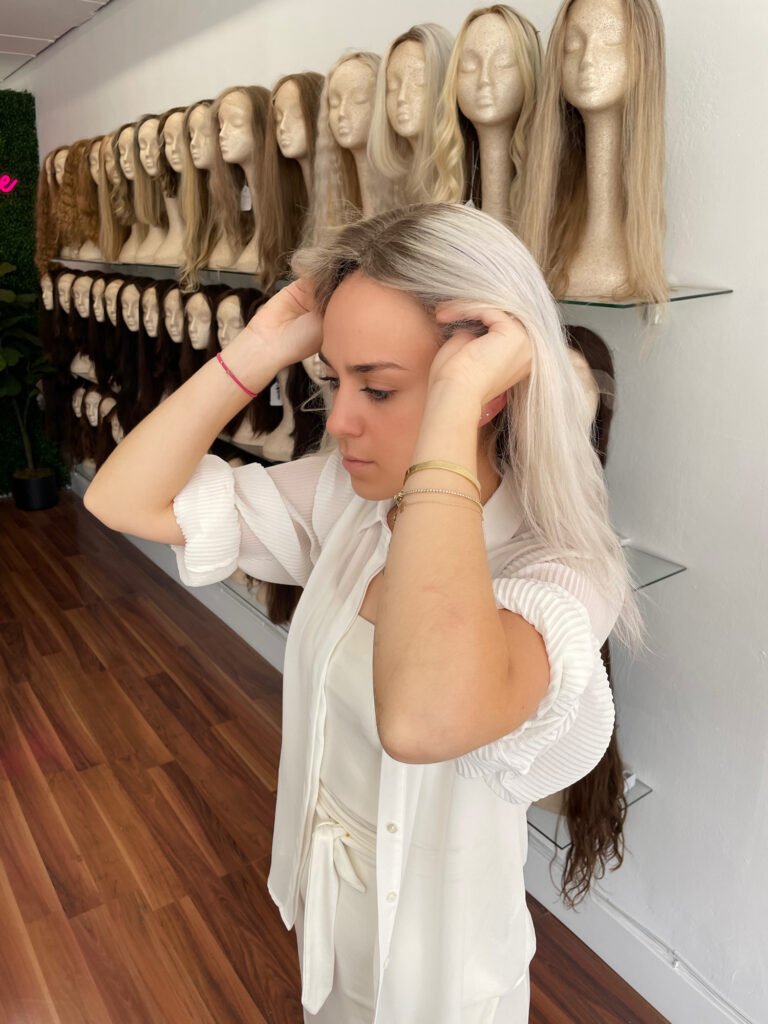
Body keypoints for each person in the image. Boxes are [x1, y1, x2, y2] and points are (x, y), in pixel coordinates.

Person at [84, 202, 644, 1023]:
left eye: (378, 388)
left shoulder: (559, 570)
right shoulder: (349, 503)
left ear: (487, 393)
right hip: (330, 921)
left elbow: (421, 720)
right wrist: (259, 348)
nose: (340, 421)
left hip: (442, 977)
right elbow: (121, 499)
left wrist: (454, 406)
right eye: (333, 380)